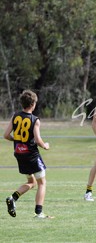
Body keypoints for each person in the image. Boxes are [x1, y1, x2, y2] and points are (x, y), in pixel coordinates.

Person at [3, 90, 53, 219]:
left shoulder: (15, 116)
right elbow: (37, 140)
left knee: (32, 182)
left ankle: (12, 198)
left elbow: (6, 135)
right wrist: (45, 145)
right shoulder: (34, 120)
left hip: (19, 153)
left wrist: (18, 140)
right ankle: (39, 213)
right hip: (31, 155)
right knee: (42, 182)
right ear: (33, 104)